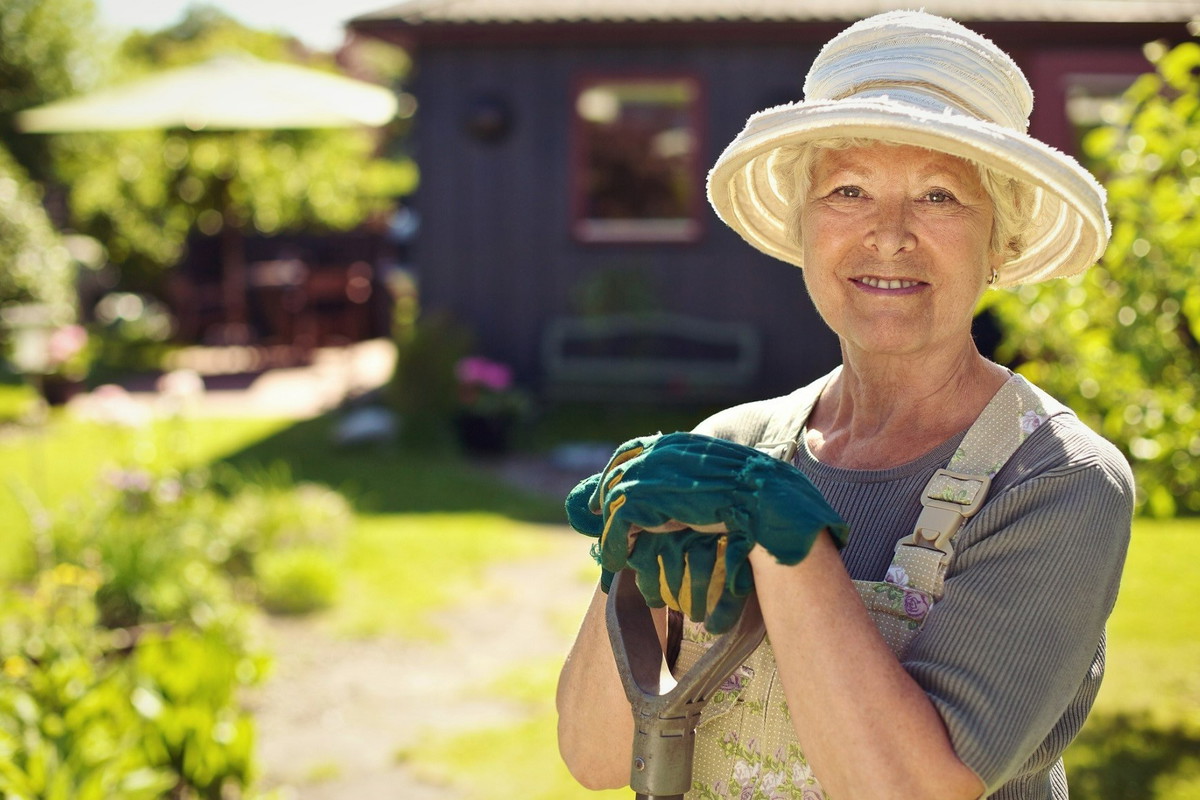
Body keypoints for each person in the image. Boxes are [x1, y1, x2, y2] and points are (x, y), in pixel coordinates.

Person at [556, 10, 1133, 800]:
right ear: (804, 225)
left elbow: (913, 790)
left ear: (1001, 243)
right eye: (849, 190)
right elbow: (595, 757)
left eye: (939, 196)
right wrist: (629, 563)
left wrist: (787, 546)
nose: (889, 235)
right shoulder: (733, 444)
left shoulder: (1056, 482)